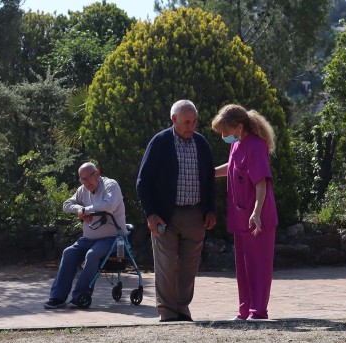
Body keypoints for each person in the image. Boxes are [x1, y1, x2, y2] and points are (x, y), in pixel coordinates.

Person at [136, 99, 216, 322]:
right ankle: (167, 311)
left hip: (194, 214)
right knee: (166, 264)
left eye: (194, 122)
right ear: (174, 120)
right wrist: (150, 214)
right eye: (187, 122)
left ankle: (182, 307)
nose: (191, 126)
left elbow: (209, 179)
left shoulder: (201, 143)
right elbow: (143, 181)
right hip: (165, 216)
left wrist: (210, 209)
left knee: (189, 266)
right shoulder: (160, 142)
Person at [211, 104, 279, 320]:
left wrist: (257, 212)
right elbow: (231, 167)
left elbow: (261, 183)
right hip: (241, 217)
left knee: (258, 265)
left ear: (239, 127)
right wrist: (207, 173)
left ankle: (258, 311)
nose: (223, 136)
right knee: (243, 266)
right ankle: (244, 309)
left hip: (257, 218)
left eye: (225, 131)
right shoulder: (237, 144)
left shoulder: (257, 146)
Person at [45, 162, 127, 309]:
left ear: (97, 174)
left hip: (112, 238)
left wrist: (86, 210)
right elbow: (66, 205)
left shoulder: (111, 185)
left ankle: (80, 296)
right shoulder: (83, 190)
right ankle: (57, 297)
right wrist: (79, 209)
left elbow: (108, 206)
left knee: (92, 255)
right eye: (81, 179)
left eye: (87, 178)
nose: (85, 183)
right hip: (88, 238)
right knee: (68, 252)